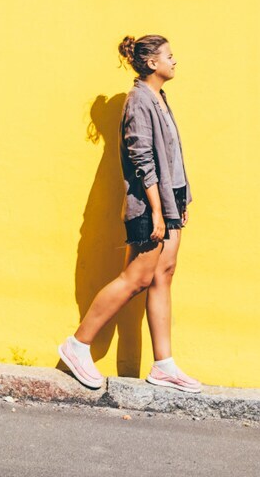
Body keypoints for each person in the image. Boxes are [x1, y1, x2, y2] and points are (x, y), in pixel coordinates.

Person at [58, 34, 201, 393]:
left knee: (163, 275)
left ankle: (164, 365)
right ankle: (77, 345)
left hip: (169, 201)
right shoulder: (139, 101)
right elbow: (142, 160)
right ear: (152, 63)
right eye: (170, 55)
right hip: (149, 205)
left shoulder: (158, 97)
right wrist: (156, 210)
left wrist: (180, 201)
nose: (175, 60)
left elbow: (170, 155)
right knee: (136, 278)